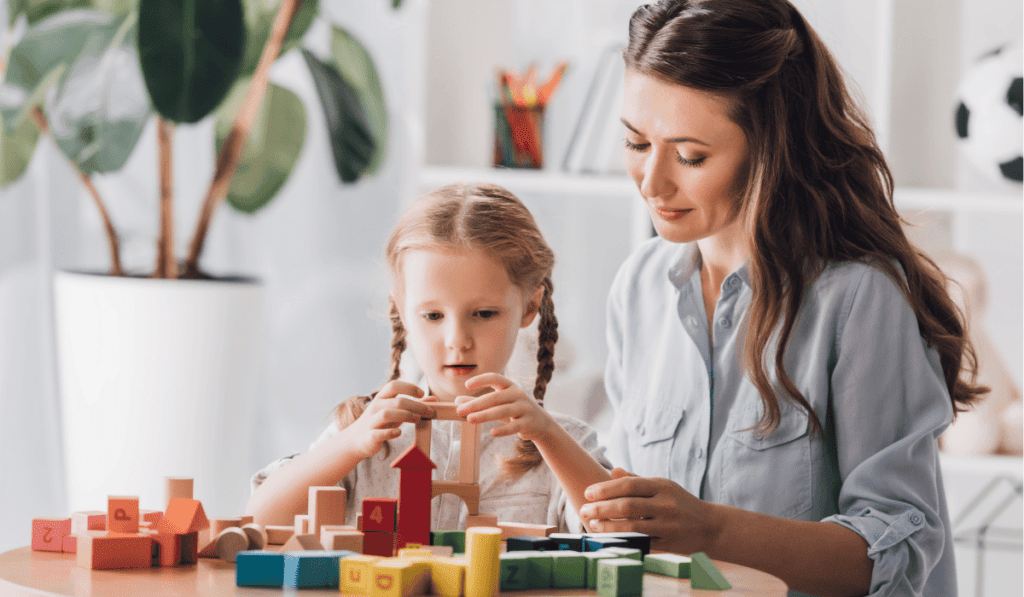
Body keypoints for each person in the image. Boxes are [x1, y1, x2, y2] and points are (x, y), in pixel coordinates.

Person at [576, 1, 986, 596]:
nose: (652, 182)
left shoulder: (858, 299)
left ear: (770, 146)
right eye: (636, 143)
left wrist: (711, 529)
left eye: (691, 156)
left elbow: (899, 552)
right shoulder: (638, 285)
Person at [247, 183, 612, 533]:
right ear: (402, 312)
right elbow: (261, 519)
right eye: (433, 316)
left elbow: (617, 531)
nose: (457, 340)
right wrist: (352, 444)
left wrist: (547, 434)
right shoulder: (364, 432)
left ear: (530, 306)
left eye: (484, 314)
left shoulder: (562, 443)